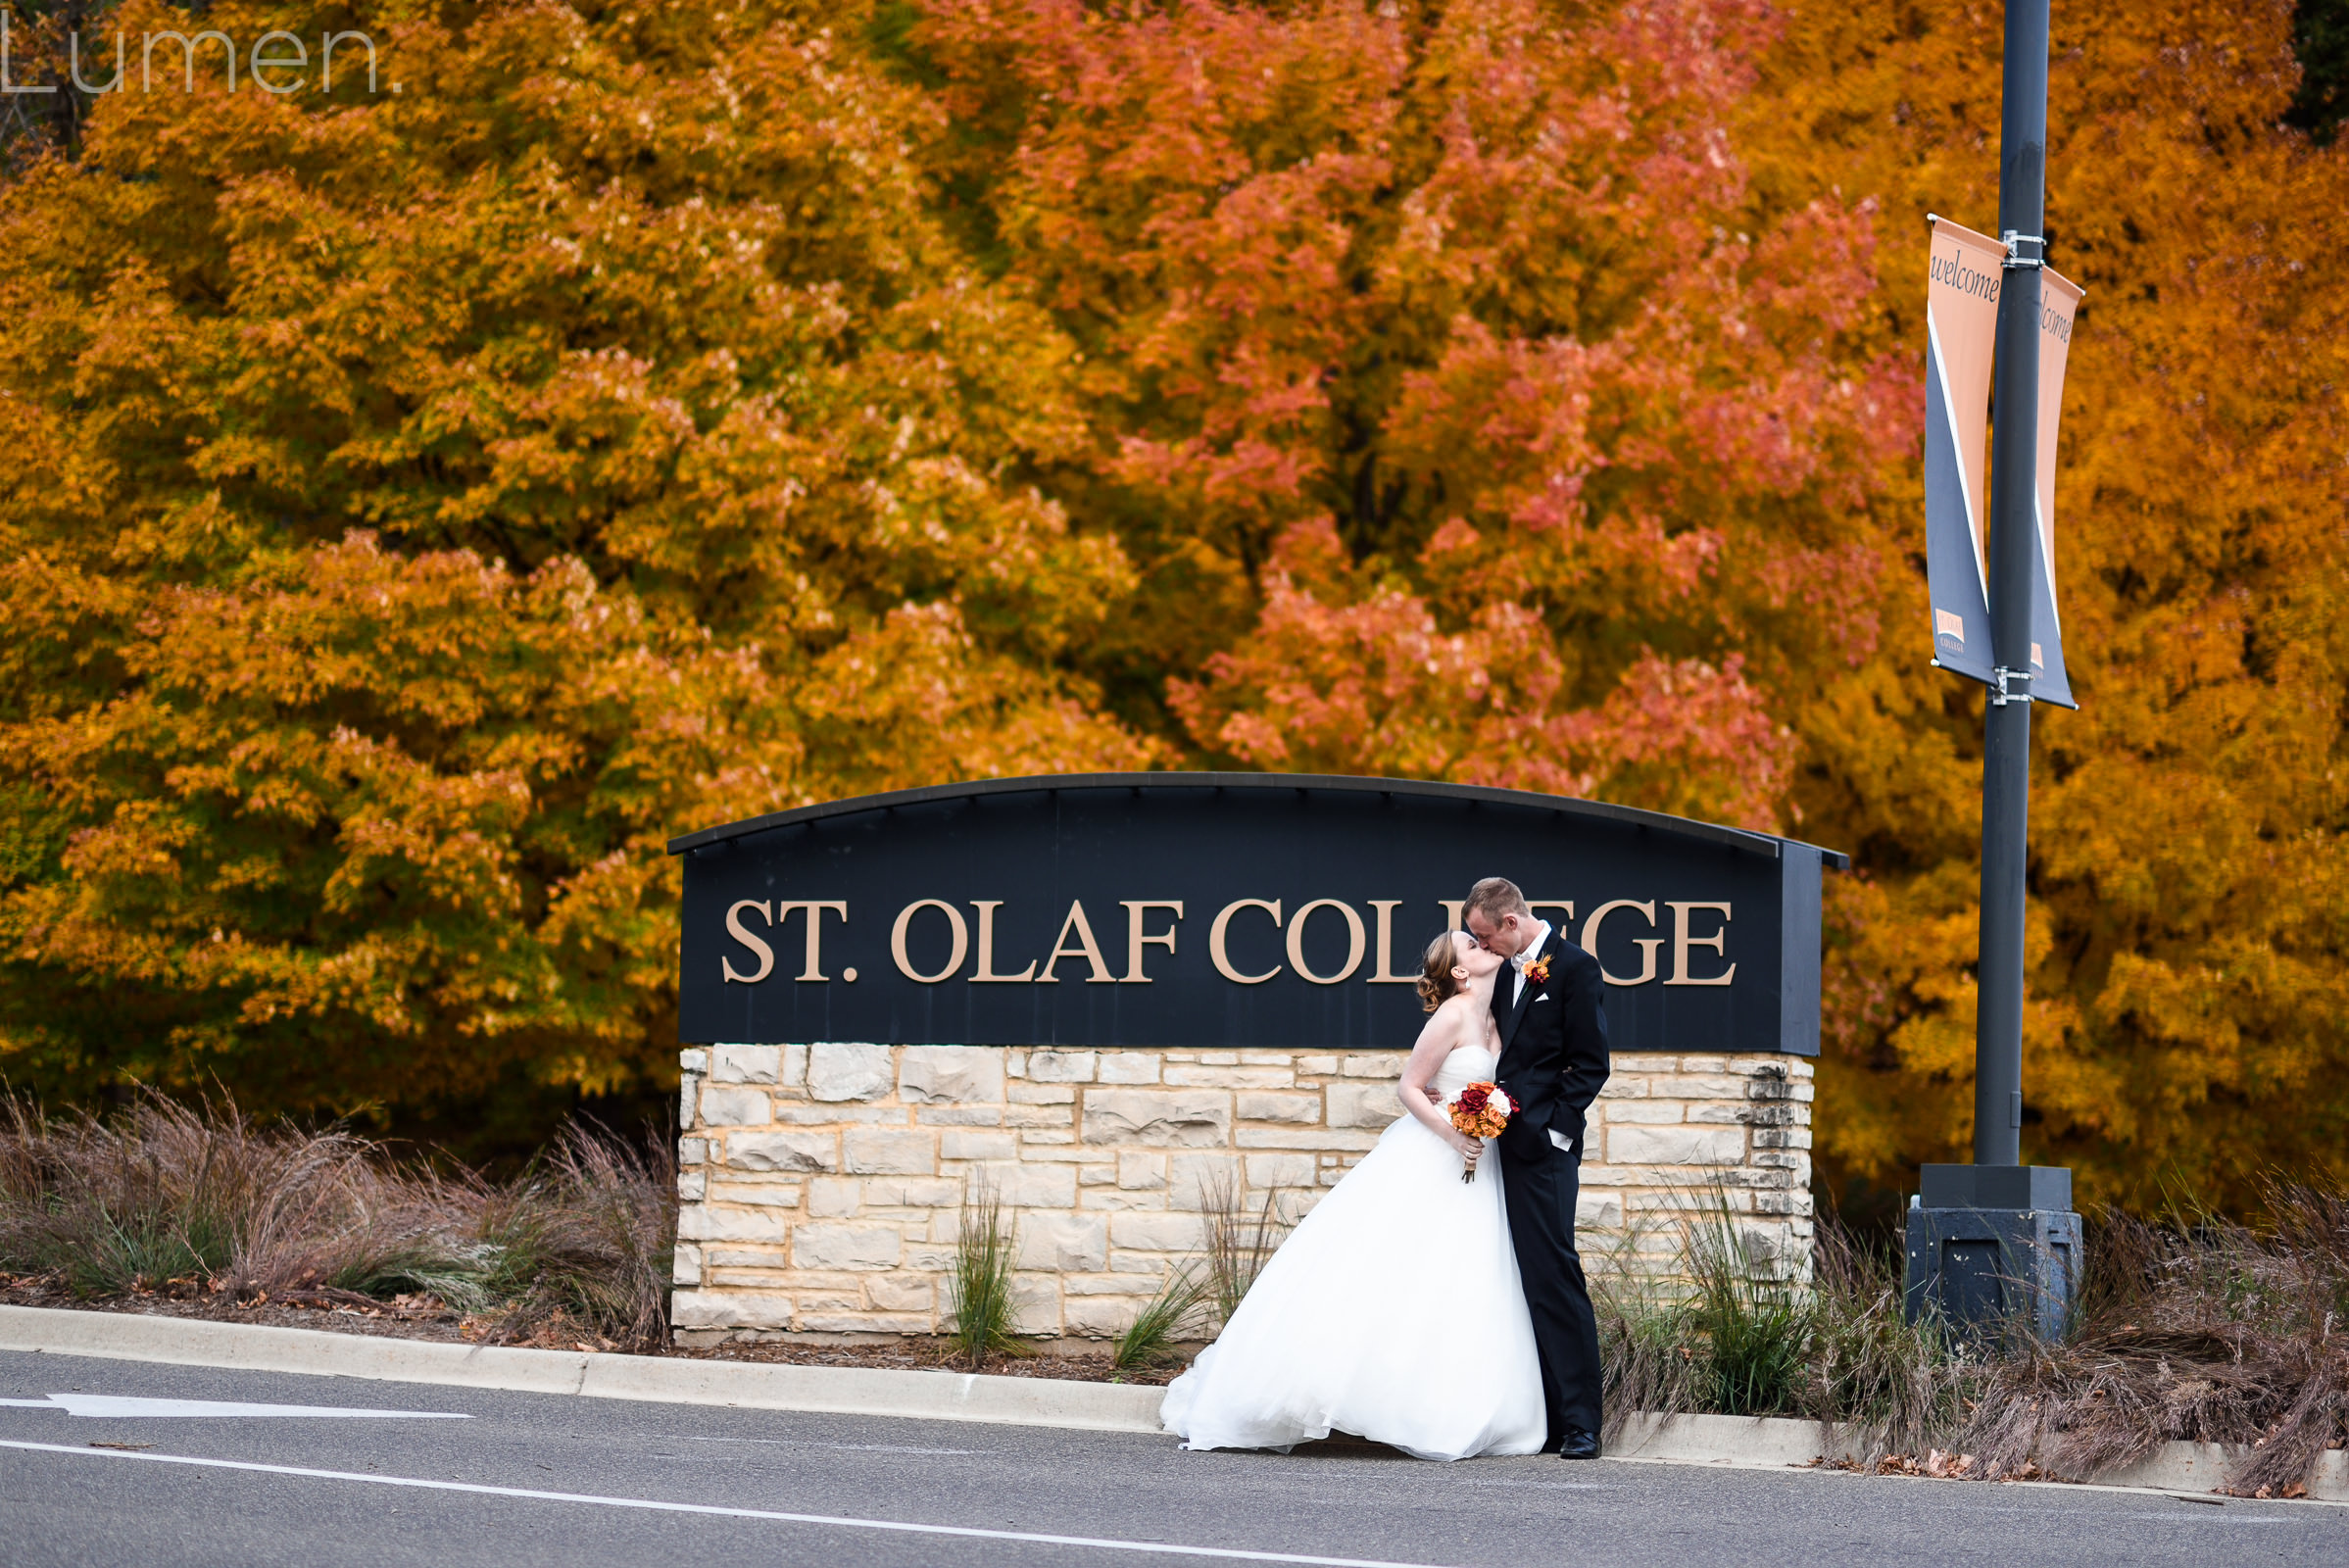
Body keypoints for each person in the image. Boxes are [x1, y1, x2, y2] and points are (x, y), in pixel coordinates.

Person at [1158, 931, 1545, 1460]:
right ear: (1459, 971)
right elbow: (1410, 1086)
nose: (1484, 948)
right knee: (1392, 1265)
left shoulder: (1498, 1016)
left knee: (1464, 1274)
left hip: (1482, 1161)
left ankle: (1444, 1398)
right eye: (1472, 947)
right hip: (1438, 1153)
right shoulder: (1452, 1015)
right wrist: (1454, 1133)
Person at [1462, 875, 1611, 1459]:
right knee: (1516, 1282)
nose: (1480, 946)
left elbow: (1590, 1064)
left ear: (1510, 923)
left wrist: (1553, 1129)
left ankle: (1581, 1424)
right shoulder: (1501, 970)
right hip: (1499, 1147)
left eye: (1483, 935)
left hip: (1543, 1152)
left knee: (1554, 1277)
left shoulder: (1575, 968)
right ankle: (1540, 1419)